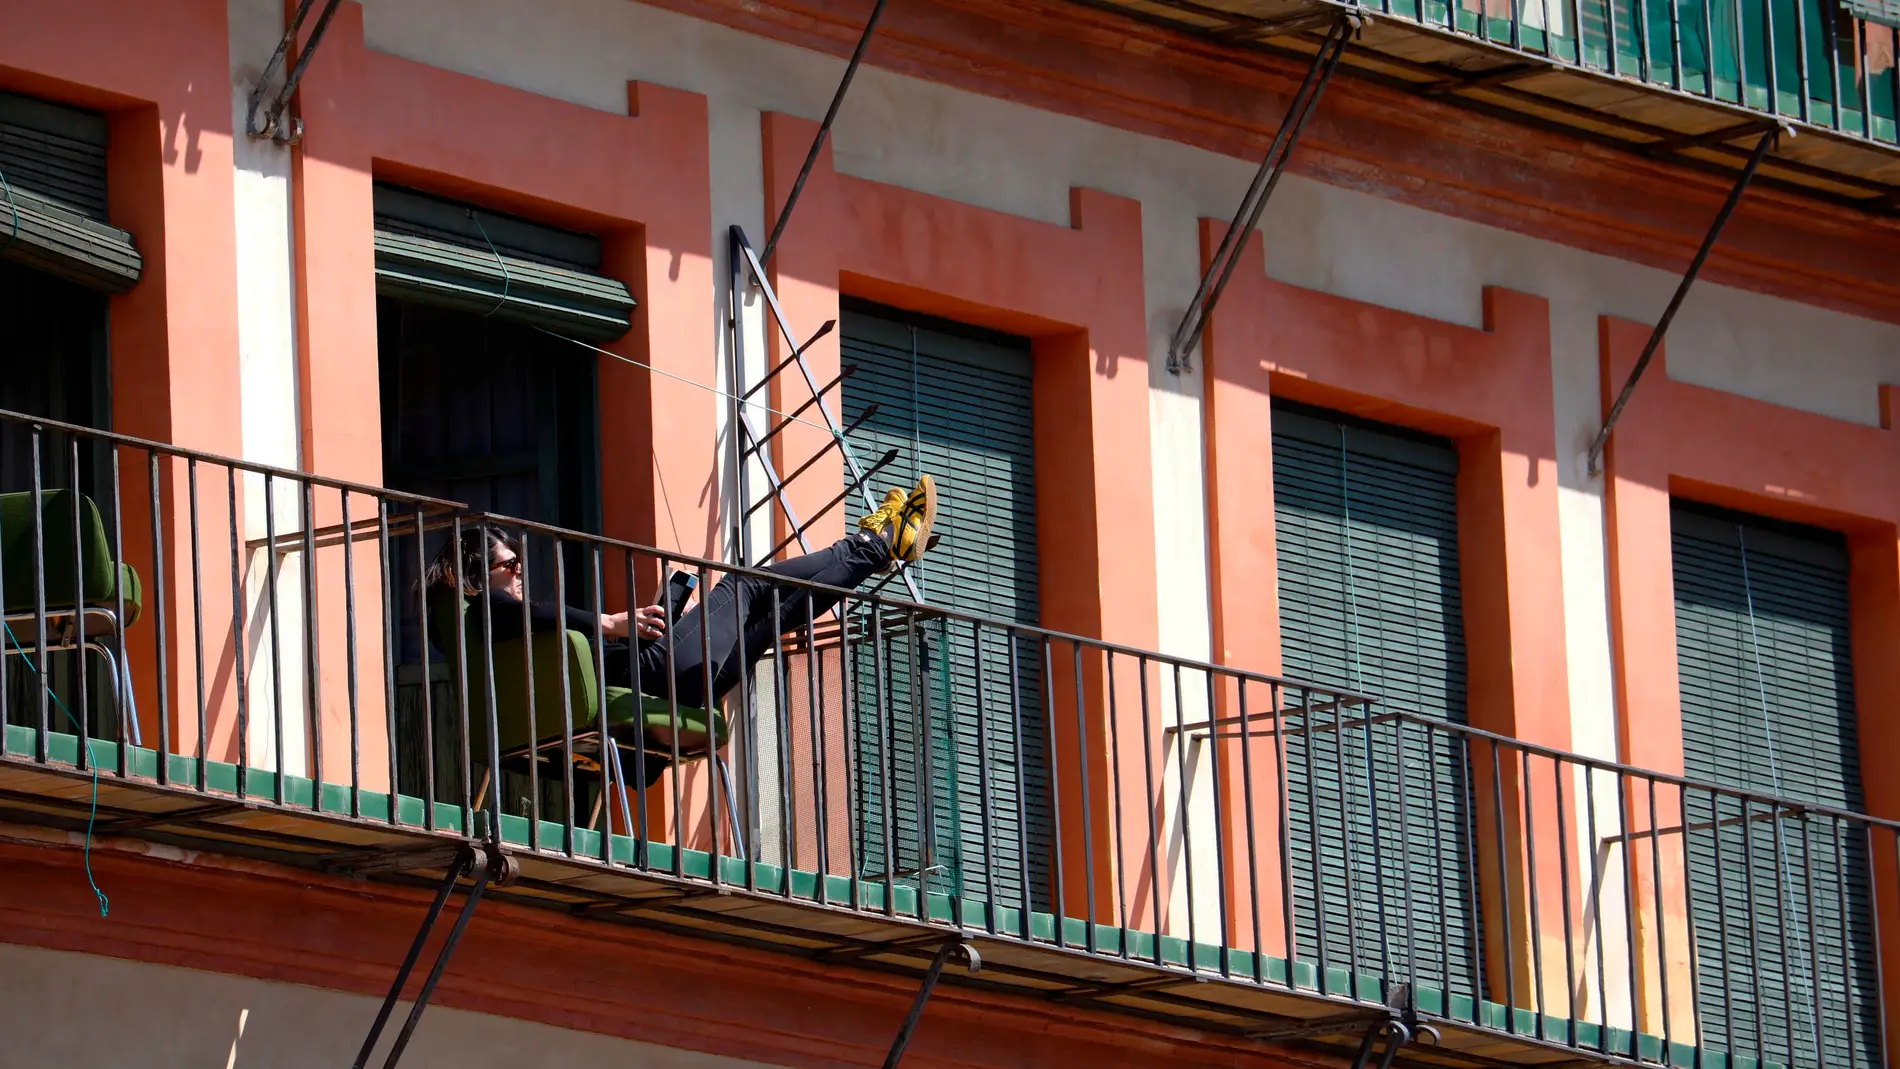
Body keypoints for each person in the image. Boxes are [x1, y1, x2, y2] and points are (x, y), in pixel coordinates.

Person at [424, 474, 938, 744]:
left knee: (775, 616)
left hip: (668, 678)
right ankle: (877, 541)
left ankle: (881, 544)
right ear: (476, 575)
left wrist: (641, 621)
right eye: (508, 566)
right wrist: (609, 622)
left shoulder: (480, 637)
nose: (517, 574)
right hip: (661, 674)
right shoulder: (489, 610)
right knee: (747, 585)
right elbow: (526, 613)